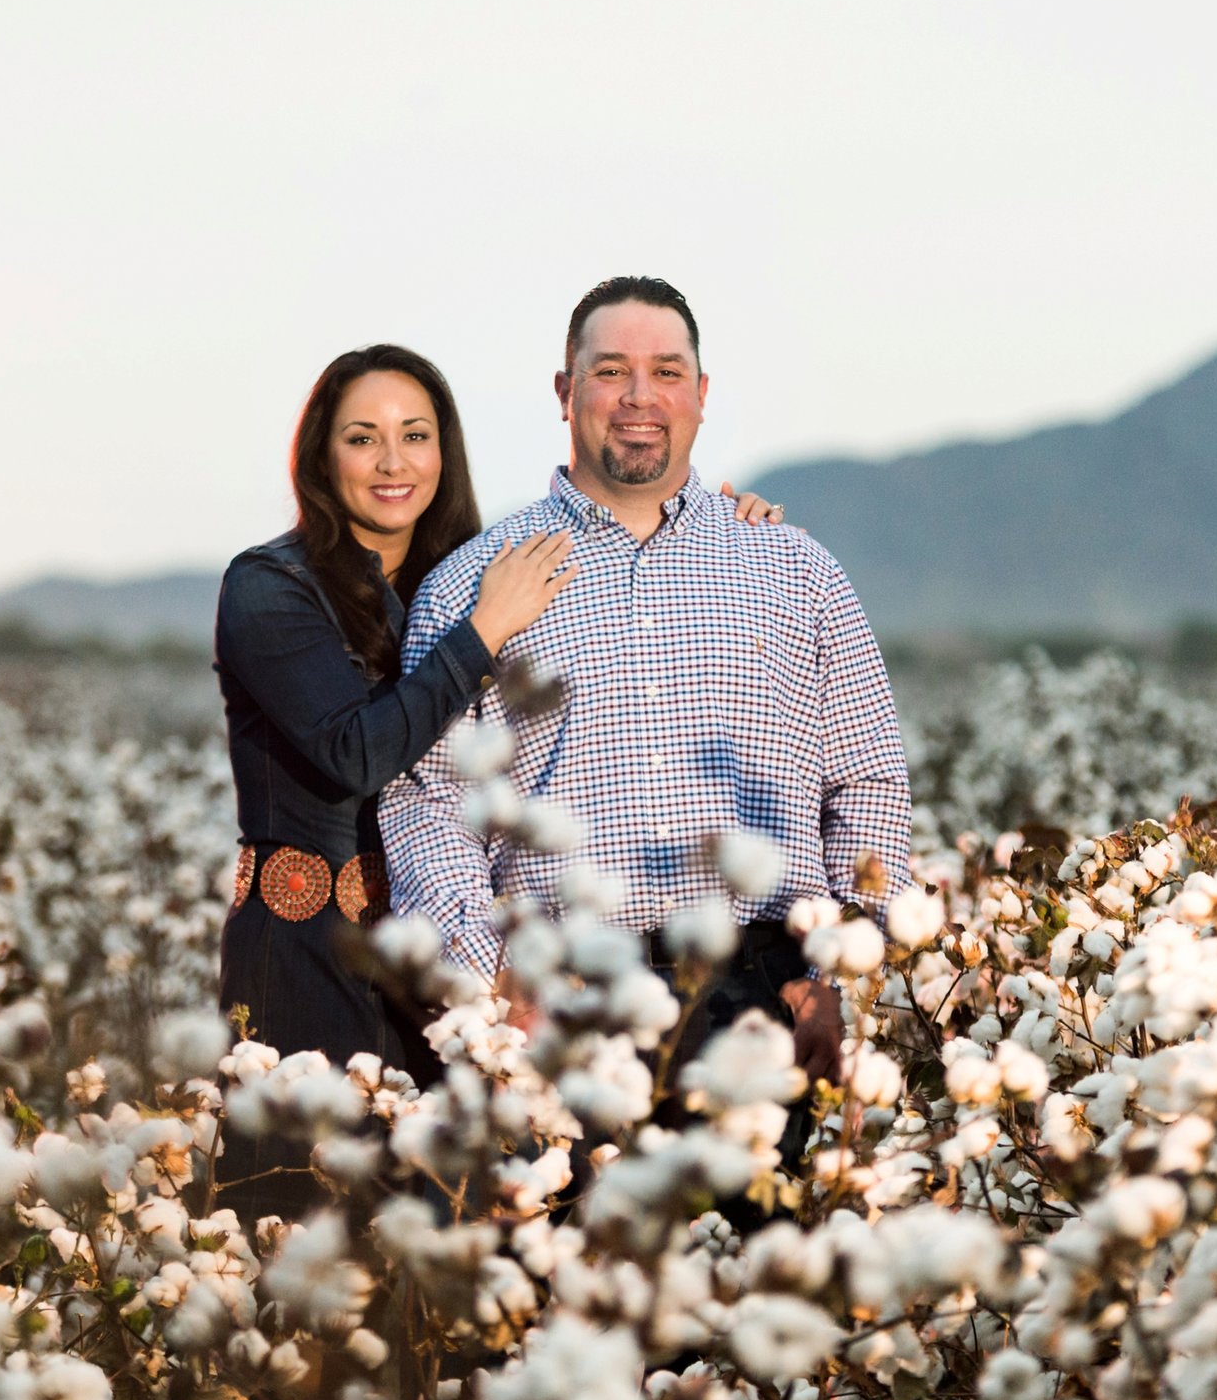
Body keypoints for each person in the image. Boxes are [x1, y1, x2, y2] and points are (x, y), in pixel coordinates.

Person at [213, 340, 787, 1217]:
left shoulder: (460, 575)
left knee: (449, 1237)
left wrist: (716, 527)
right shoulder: (269, 586)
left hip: (440, 959)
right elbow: (354, 753)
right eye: (363, 437)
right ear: (321, 454)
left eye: (417, 434)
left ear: (447, 451)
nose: (394, 460)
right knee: (307, 1230)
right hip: (308, 950)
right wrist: (481, 634)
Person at [379, 278, 911, 1163]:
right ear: (564, 392)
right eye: (610, 371)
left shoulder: (798, 571)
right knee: (572, 1292)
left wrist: (835, 977)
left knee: (758, 1289)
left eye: (667, 371)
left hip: (762, 992)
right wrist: (492, 978)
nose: (639, 397)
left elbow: (867, 781)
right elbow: (424, 803)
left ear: (702, 394)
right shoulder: (475, 583)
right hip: (561, 1005)